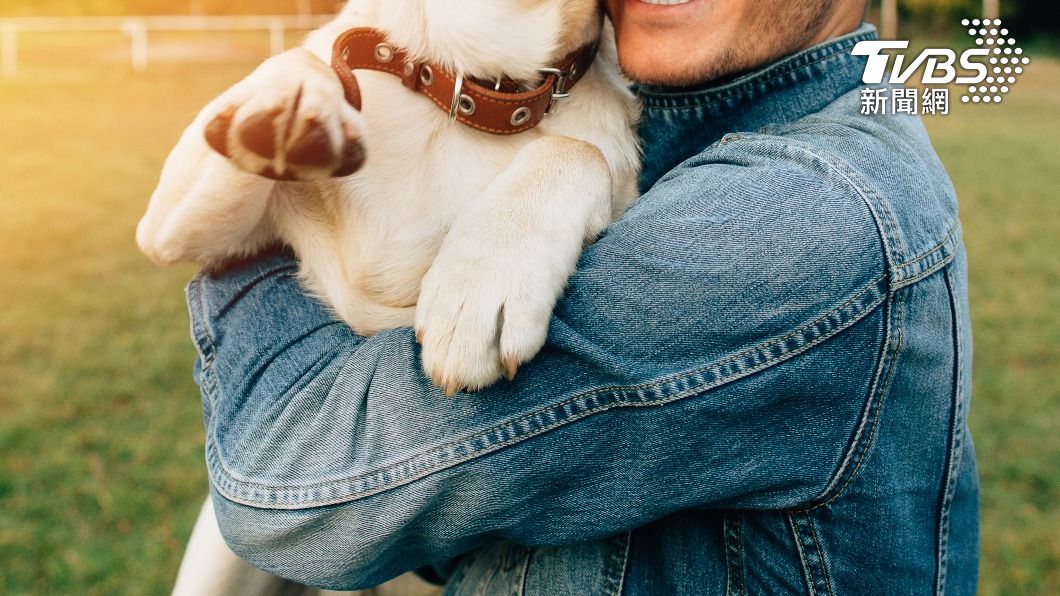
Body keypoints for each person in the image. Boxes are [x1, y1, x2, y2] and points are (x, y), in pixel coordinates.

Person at [187, 0, 979, 593]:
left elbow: (294, 482)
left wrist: (251, 193)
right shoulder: (673, 123)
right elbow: (452, 529)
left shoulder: (804, 214)